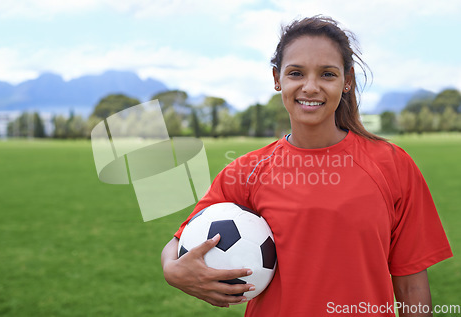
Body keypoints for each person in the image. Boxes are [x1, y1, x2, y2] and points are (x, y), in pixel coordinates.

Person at [161, 16, 453, 316]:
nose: (310, 87)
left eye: (327, 74)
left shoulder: (392, 165)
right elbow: (176, 245)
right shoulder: (245, 172)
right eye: (296, 73)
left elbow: (411, 285)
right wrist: (172, 272)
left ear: (347, 80)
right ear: (277, 78)